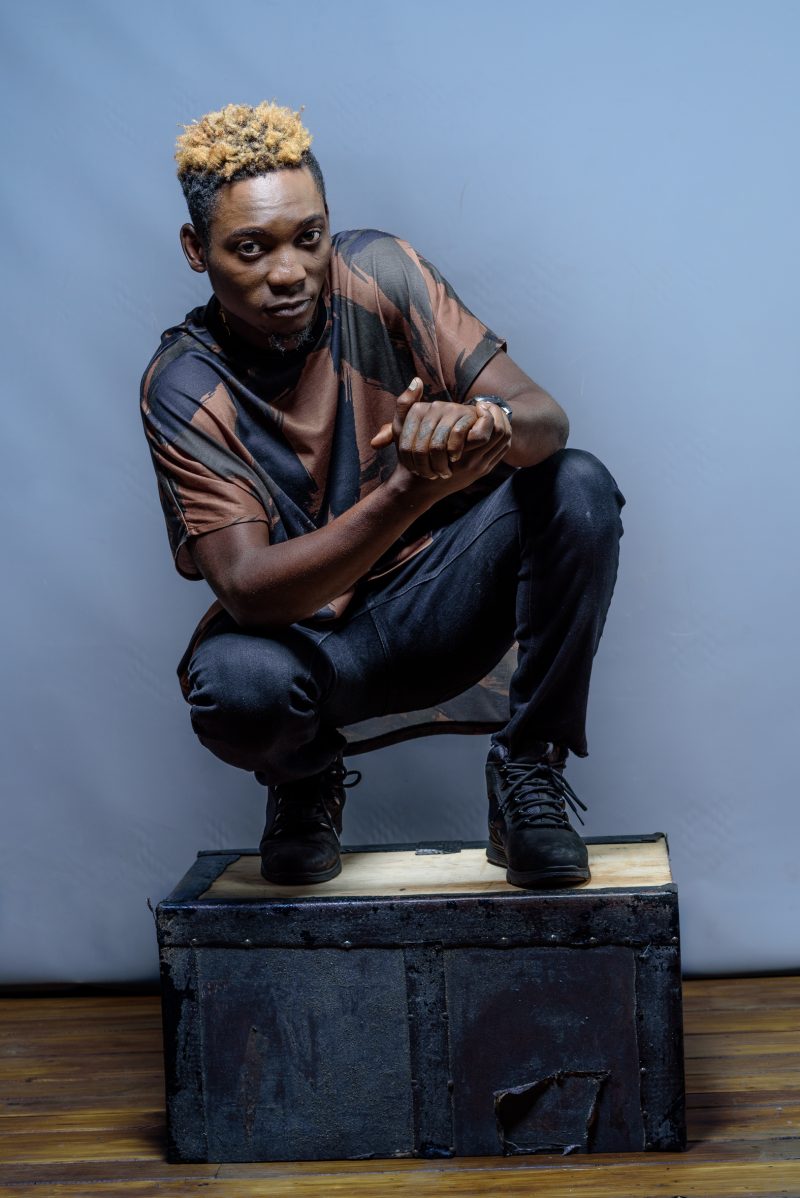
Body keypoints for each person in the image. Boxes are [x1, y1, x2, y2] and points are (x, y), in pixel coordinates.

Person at [141, 102, 624, 890]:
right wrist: (407, 489)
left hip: (439, 600)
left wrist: (485, 423)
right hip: (309, 648)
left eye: (308, 237)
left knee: (578, 486)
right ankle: (303, 785)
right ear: (197, 250)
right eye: (251, 248)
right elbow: (248, 589)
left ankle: (528, 769)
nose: (289, 272)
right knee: (237, 687)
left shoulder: (379, 272)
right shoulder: (185, 384)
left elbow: (546, 419)